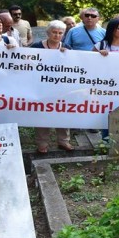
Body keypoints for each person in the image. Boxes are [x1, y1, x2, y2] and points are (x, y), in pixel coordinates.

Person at [31, 20, 74, 152]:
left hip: (61, 88)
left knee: (62, 113)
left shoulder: (67, 48)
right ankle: (42, 143)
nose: (57, 35)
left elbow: (73, 67)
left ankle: (63, 141)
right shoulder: (36, 47)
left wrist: (66, 56)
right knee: (42, 114)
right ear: (48, 33)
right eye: (54, 32)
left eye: (60, 33)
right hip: (41, 87)